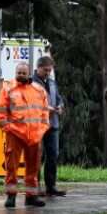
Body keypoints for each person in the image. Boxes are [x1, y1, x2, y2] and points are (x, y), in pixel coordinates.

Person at [0, 62, 50, 208]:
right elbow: (0, 114)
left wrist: (42, 129)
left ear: (28, 74)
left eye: (23, 73)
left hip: (35, 135)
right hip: (15, 133)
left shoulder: (39, 90)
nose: (20, 75)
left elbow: (45, 112)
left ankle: (31, 196)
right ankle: (11, 196)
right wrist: (8, 128)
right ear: (15, 72)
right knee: (11, 167)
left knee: (33, 168)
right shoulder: (8, 88)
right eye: (18, 72)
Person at [33, 55, 66, 197]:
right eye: (45, 70)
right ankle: (35, 186)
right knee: (36, 157)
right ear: (38, 68)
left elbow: (58, 97)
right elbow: (32, 103)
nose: (47, 73)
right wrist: (47, 109)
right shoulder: (32, 84)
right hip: (37, 124)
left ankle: (50, 186)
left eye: (49, 70)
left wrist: (60, 106)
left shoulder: (52, 82)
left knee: (53, 155)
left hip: (52, 124)